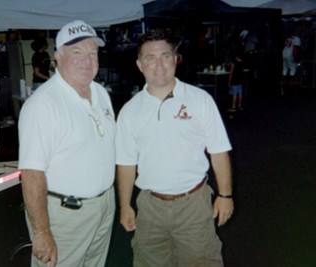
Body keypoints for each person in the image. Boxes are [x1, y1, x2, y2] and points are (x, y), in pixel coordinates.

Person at [115, 32, 234, 267]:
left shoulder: (200, 100)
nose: (159, 64)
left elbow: (219, 151)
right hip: (149, 208)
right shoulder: (130, 111)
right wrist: (126, 205)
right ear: (140, 65)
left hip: (194, 204)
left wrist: (225, 195)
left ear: (175, 59)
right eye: (150, 58)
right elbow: (126, 163)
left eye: (165, 56)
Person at [18, 20, 116, 267]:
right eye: (77, 52)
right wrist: (41, 232)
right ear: (58, 57)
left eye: (92, 52)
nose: (87, 59)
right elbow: (31, 174)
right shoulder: (43, 105)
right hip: (66, 215)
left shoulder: (100, 92)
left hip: (103, 205)